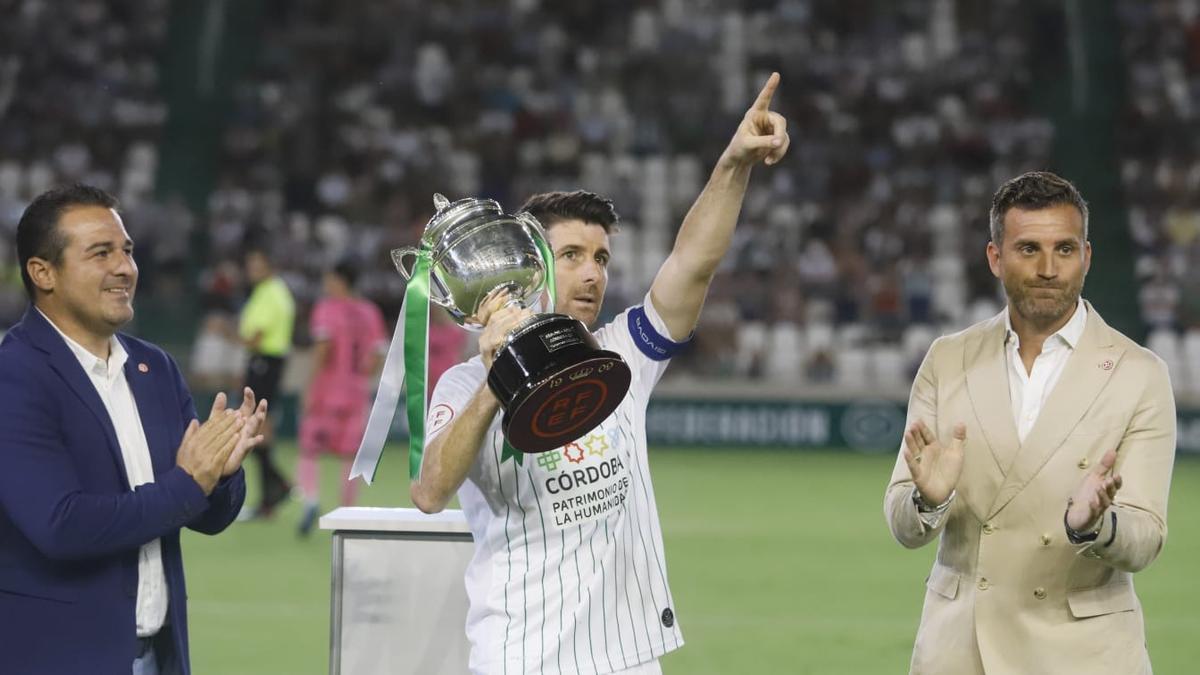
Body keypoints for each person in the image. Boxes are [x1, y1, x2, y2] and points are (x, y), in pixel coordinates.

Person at [411, 73, 789, 674]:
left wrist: (734, 162)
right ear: (529, 265)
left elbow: (693, 262)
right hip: (521, 659)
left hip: (628, 657)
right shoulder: (462, 384)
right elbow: (429, 491)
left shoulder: (625, 354)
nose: (593, 275)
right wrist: (496, 380)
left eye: (602, 259)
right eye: (572, 256)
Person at [884, 171, 1177, 674]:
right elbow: (903, 525)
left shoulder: (1140, 373)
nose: (1048, 269)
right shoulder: (948, 359)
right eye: (1028, 249)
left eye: (1064, 249)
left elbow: (1146, 536)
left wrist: (1095, 525)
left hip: (1084, 656)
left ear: (1086, 256)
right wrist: (928, 500)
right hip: (960, 652)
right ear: (995, 258)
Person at [0, 184, 268, 674]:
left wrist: (222, 475)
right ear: (43, 273)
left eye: (126, 251)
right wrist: (191, 483)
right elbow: (62, 526)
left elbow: (204, 516)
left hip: (158, 657)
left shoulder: (155, 369)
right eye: (100, 253)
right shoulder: (14, 375)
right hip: (56, 659)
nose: (124, 268)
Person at [296, 261, 387, 535]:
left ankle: (310, 500)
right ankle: (347, 511)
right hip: (356, 392)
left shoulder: (326, 309)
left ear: (339, 280)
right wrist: (361, 376)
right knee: (349, 454)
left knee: (309, 450)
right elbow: (378, 353)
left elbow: (323, 349)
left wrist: (311, 386)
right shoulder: (369, 312)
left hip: (327, 390)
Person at [237, 245, 295, 519]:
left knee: (254, 428)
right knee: (258, 430)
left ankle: (279, 486)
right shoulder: (272, 291)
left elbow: (255, 337)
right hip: (267, 364)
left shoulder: (270, 293)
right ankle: (272, 495)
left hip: (264, 363)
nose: (251, 270)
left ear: (268, 266)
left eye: (256, 264)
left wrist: (227, 334)